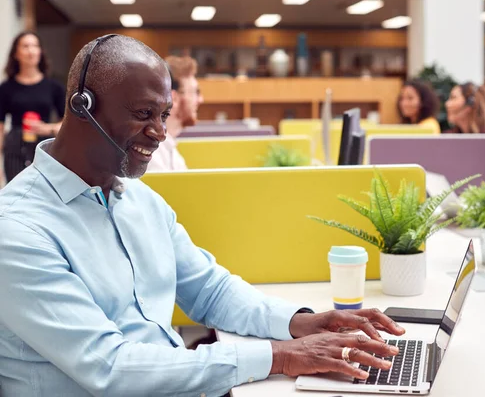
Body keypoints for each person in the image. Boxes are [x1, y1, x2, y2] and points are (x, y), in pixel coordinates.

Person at [0, 34, 404, 396]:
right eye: (143, 114)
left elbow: (210, 289)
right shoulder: (19, 230)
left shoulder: (140, 200)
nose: (159, 132)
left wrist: (301, 323)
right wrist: (280, 356)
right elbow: (111, 368)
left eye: (163, 114)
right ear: (82, 106)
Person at [0, 31, 65, 184]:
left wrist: (49, 128)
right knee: (16, 191)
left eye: (35, 46)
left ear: (40, 52)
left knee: (45, 190)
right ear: (16, 53)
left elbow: (69, 121)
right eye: (26, 46)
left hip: (45, 147)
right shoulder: (6, 88)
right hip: (15, 147)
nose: (31, 50)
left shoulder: (54, 87)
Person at [147, 56, 202, 172]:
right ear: (174, 98)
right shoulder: (152, 157)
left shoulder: (171, 152)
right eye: (194, 92)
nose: (200, 99)